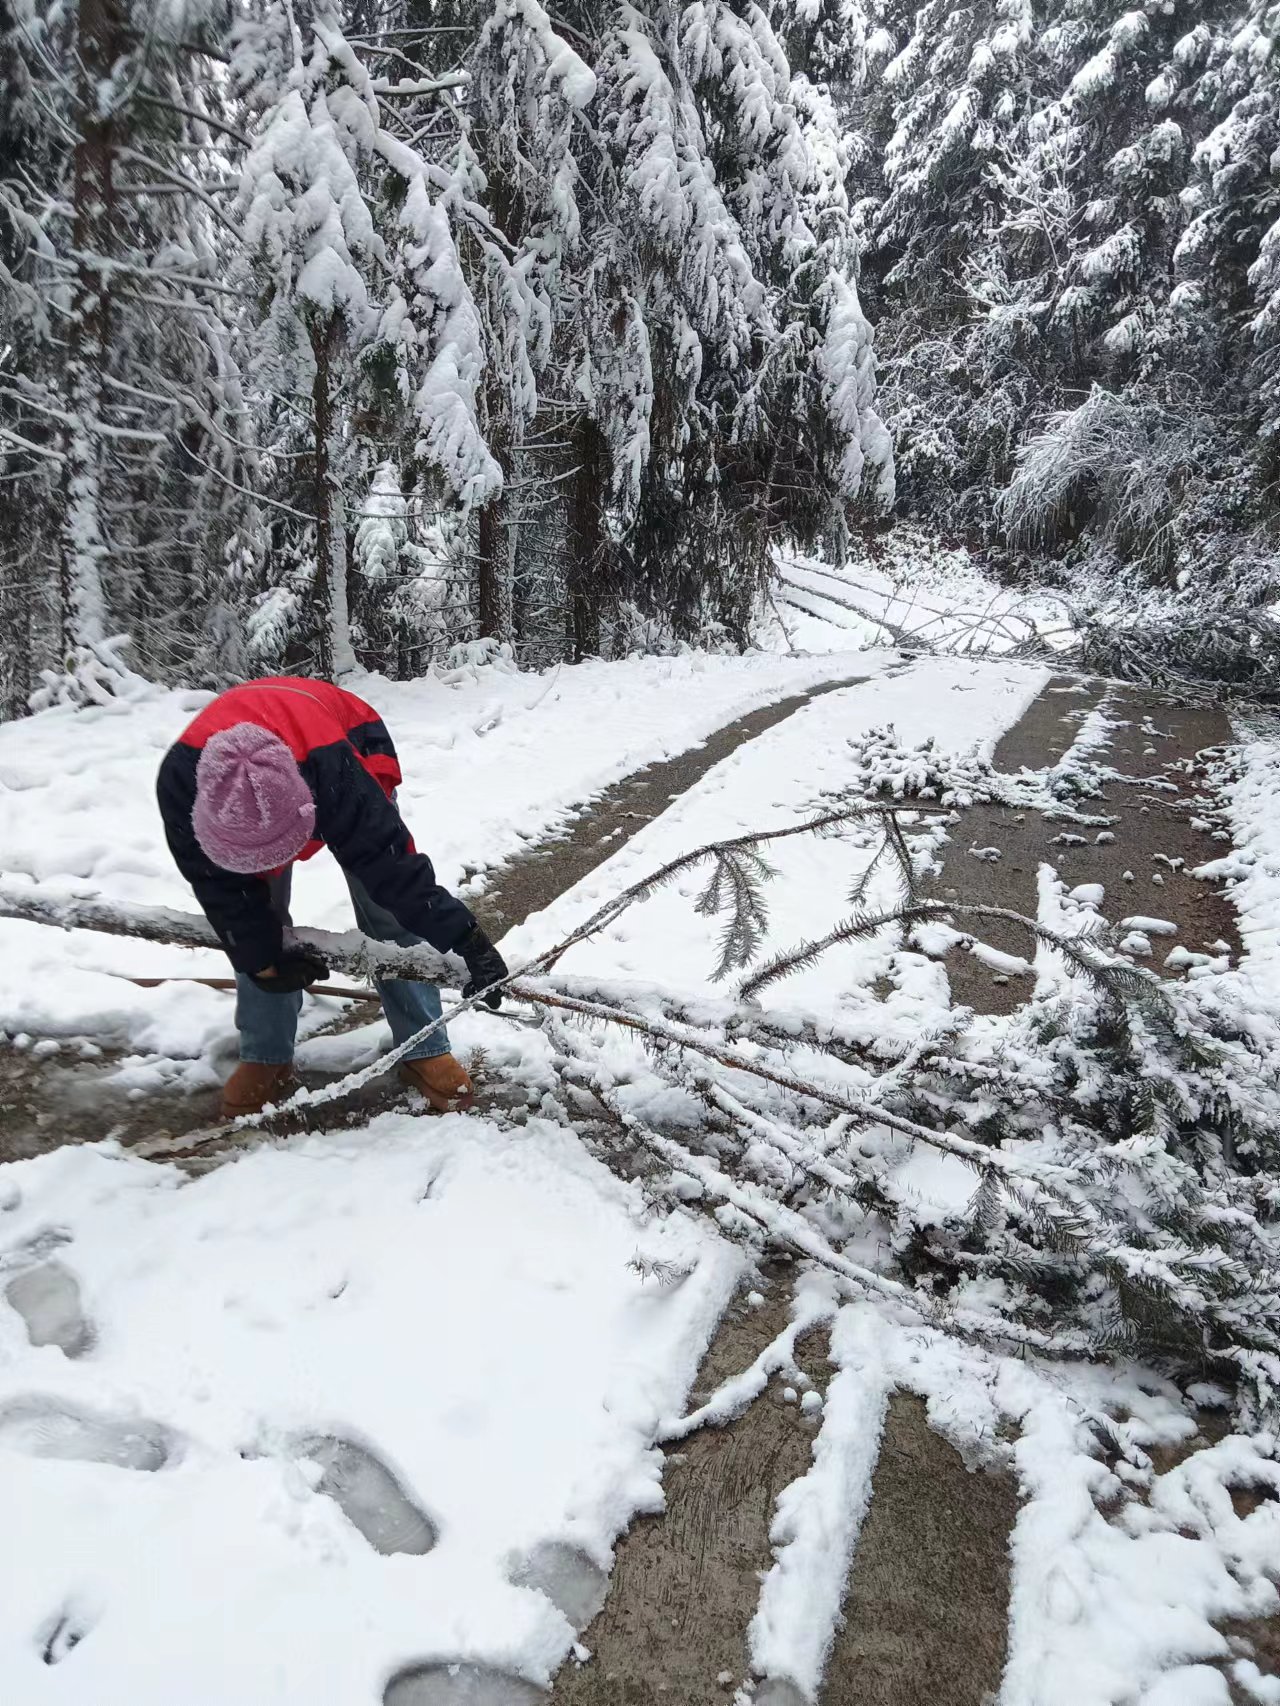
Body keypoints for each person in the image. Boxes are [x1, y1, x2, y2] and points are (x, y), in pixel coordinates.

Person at [156, 675, 508, 1120]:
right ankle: (266, 1054)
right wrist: (264, 962)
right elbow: (221, 892)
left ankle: (423, 1044)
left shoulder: (337, 777)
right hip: (258, 754)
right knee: (255, 912)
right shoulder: (179, 784)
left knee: (387, 915)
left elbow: (394, 871)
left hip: (336, 739)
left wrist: (468, 939)